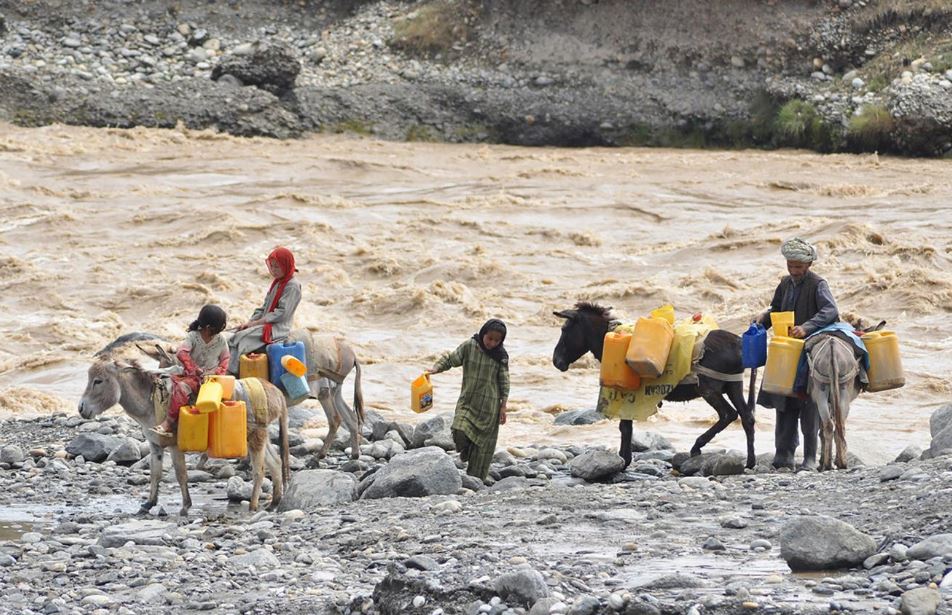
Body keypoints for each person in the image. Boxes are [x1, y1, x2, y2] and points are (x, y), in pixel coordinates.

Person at [755, 237, 839, 470]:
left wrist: (807, 327)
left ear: (809, 265)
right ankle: (783, 455)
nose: (794, 271)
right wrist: (762, 320)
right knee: (783, 401)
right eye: (790, 266)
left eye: (798, 267)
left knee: (809, 403)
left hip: (810, 350)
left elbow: (830, 310)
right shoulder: (785, 283)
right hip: (786, 349)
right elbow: (776, 309)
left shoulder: (818, 284)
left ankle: (810, 458)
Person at [427, 319, 510, 481]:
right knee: (459, 429)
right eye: (489, 338)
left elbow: (504, 382)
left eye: (497, 340)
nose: (492, 343)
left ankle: (475, 484)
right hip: (467, 402)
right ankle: (465, 450)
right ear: (483, 333)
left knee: (481, 454)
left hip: (489, 409)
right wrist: (436, 368)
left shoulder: (501, 357)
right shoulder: (470, 346)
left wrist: (503, 407)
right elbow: (451, 359)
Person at [151, 305, 230, 436]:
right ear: (208, 327)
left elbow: (225, 359)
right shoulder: (193, 336)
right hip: (193, 377)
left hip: (212, 379)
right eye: (217, 328)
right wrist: (194, 368)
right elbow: (181, 353)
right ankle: (168, 423)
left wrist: (215, 373)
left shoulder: (221, 340)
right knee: (181, 388)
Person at [228, 246, 302, 375]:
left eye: (277, 267)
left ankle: (232, 372)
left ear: (286, 265)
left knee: (240, 339)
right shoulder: (277, 282)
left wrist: (257, 323)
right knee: (235, 332)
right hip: (265, 322)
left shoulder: (292, 286)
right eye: (271, 266)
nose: (273, 270)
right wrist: (250, 323)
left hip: (277, 328)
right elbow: (264, 307)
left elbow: (282, 313)